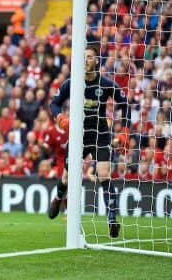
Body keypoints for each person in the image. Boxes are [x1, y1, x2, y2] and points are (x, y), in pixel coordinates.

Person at [48, 44, 129, 238]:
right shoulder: (72, 83)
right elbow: (54, 103)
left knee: (103, 173)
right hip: (79, 134)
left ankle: (112, 219)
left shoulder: (106, 84)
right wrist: (60, 118)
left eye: (90, 56)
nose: (86, 60)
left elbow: (124, 103)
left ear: (96, 60)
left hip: (100, 132)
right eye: (83, 56)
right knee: (67, 177)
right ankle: (59, 197)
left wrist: (125, 132)